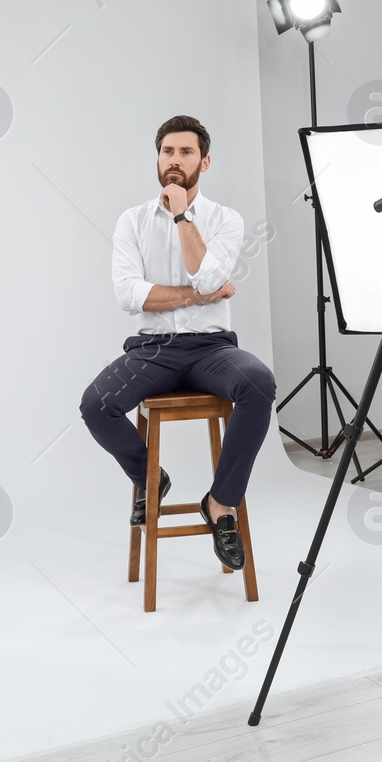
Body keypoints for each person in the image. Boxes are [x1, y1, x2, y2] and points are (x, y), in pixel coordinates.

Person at [79, 115, 276, 570]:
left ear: (204, 163)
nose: (174, 160)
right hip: (153, 349)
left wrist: (182, 215)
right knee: (95, 404)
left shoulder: (225, 219)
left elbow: (208, 273)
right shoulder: (132, 221)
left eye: (185, 152)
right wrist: (200, 294)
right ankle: (150, 477)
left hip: (212, 348)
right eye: (167, 151)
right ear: (158, 159)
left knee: (259, 382)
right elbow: (130, 295)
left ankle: (220, 504)